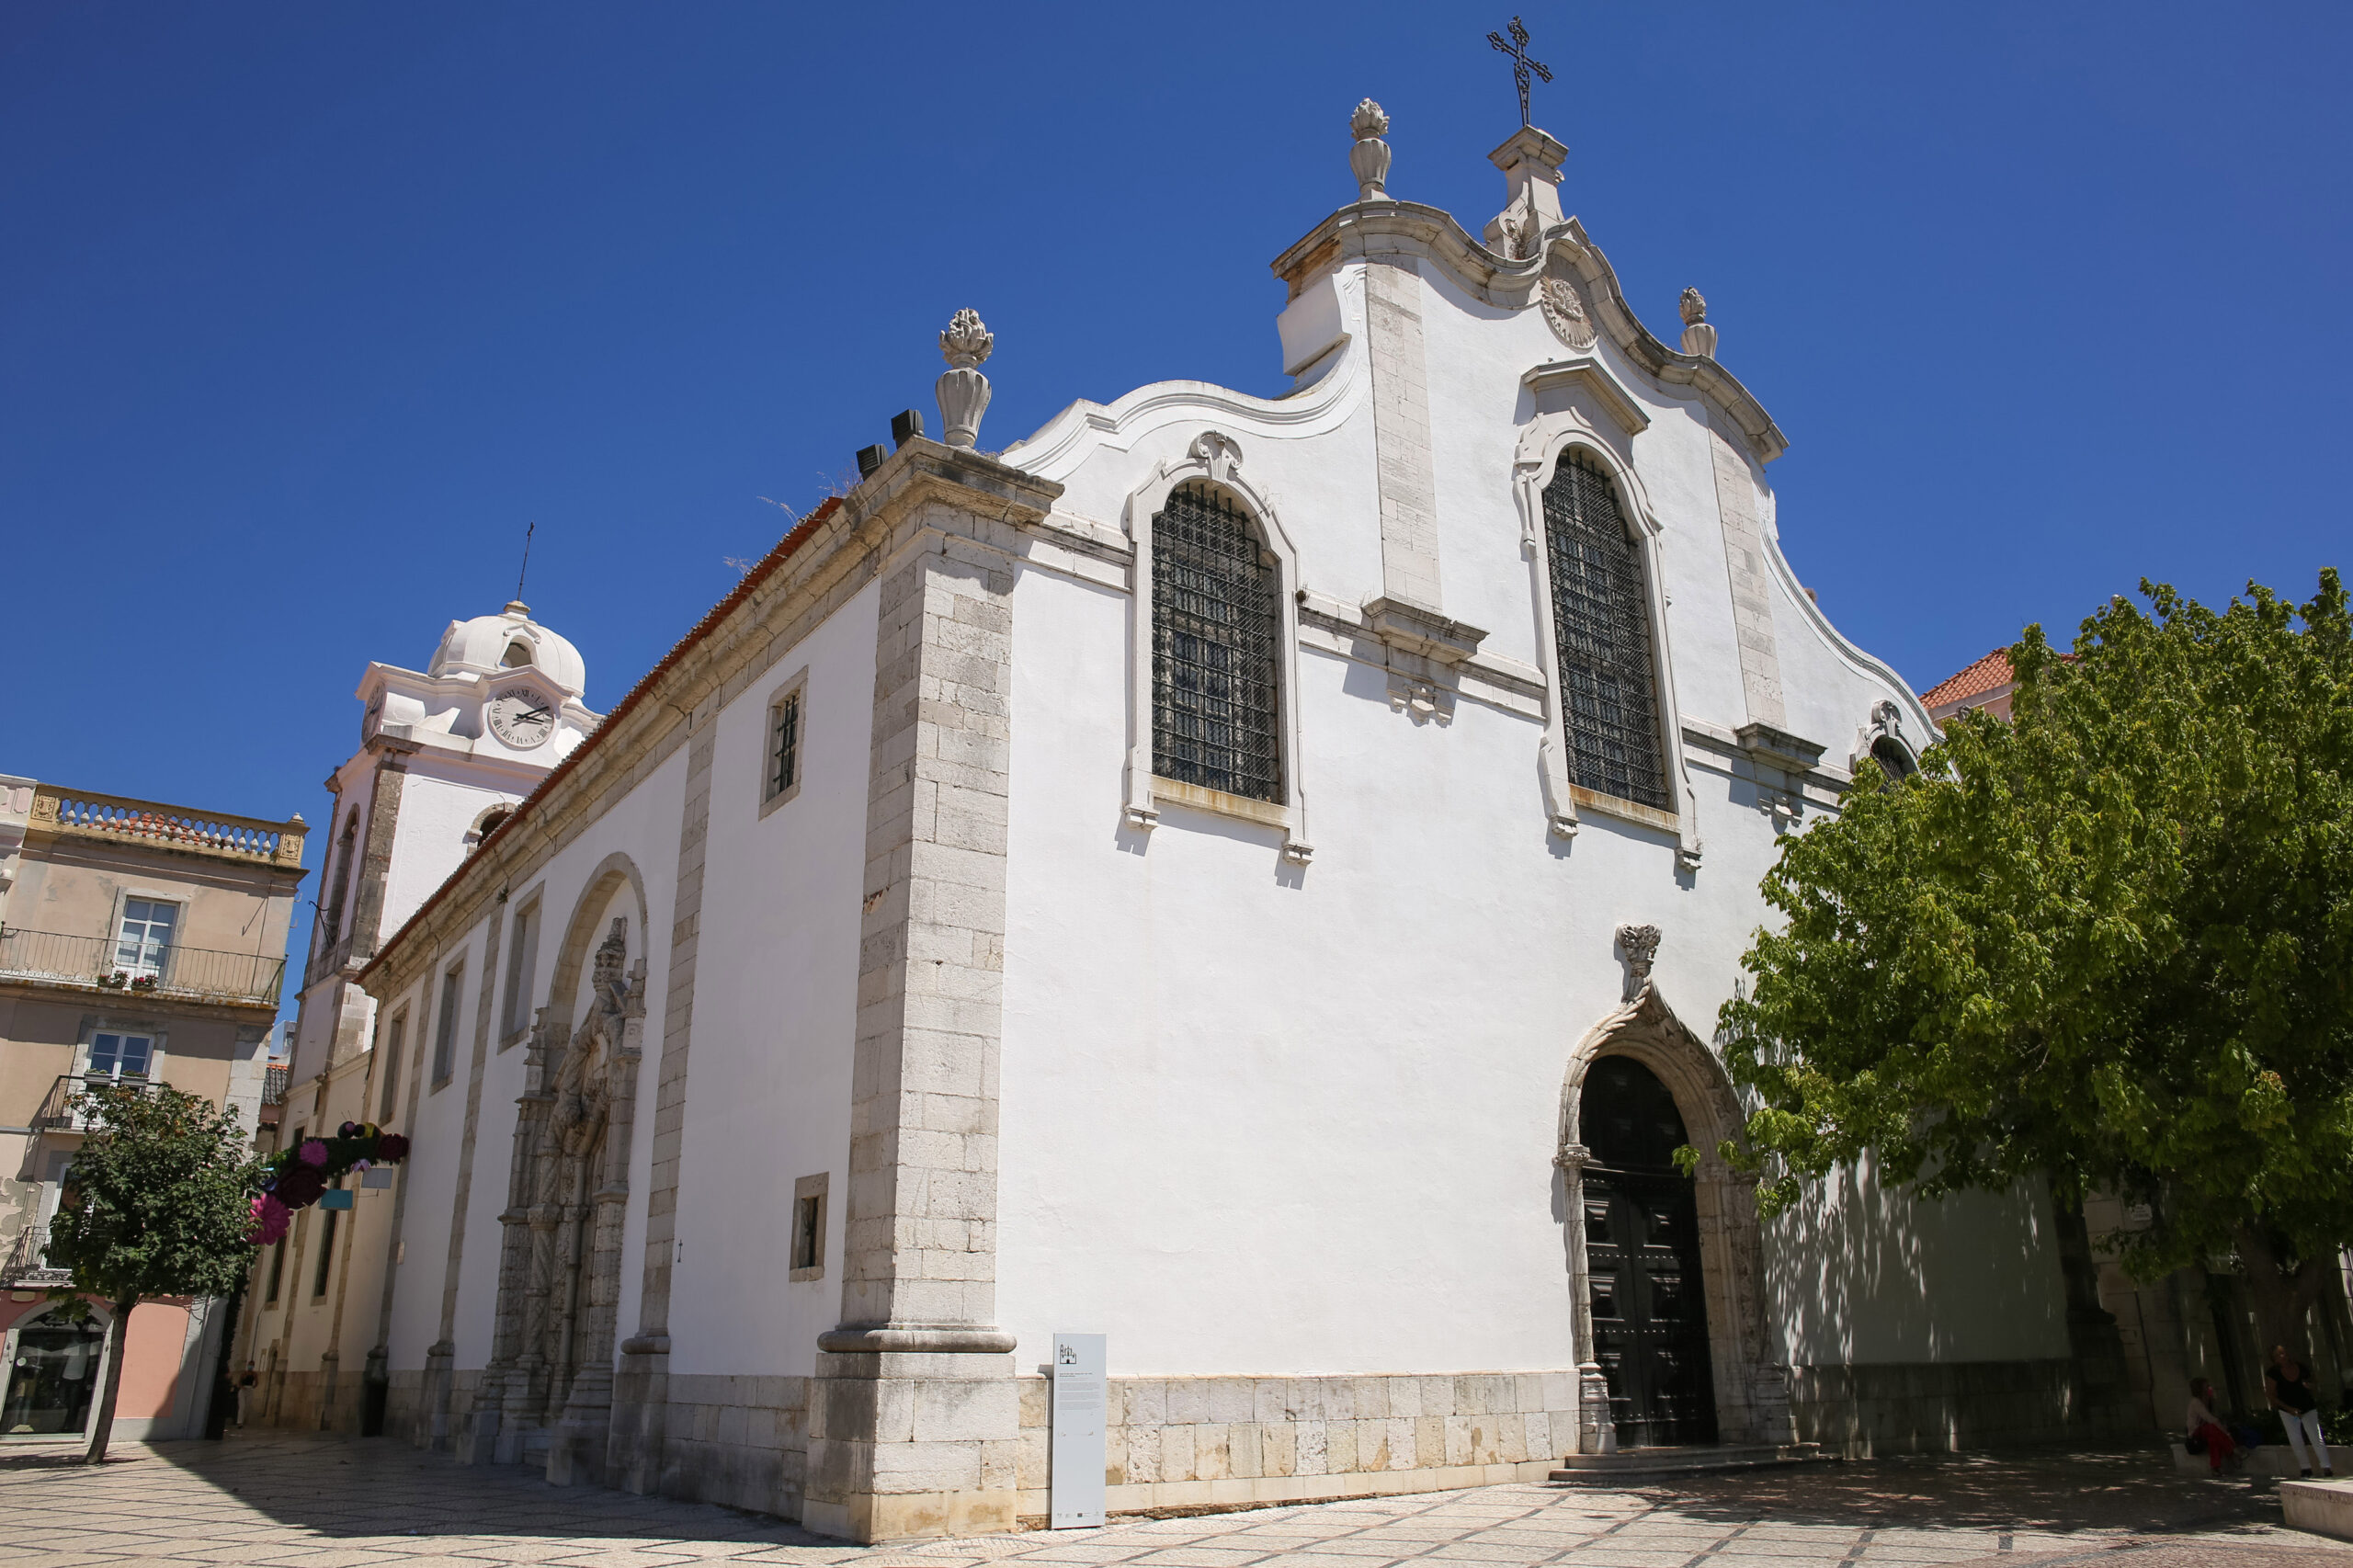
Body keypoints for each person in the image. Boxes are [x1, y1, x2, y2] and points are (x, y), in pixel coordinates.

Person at [2266, 1346, 2335, 1478]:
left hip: (2307, 1406)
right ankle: (2305, 1468)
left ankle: (2326, 1466)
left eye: (2283, 1353)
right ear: (2274, 1359)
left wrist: (2310, 1386)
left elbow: (2314, 1382)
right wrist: (2289, 1409)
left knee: (2316, 1436)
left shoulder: (2301, 1367)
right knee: (2296, 1439)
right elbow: (2270, 1394)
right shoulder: (2273, 1373)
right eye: (2278, 1355)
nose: (2282, 1357)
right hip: (2288, 1410)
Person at [2187, 1378, 2238, 1474]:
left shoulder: (2208, 1401)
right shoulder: (2196, 1402)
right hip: (2196, 1434)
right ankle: (2231, 1451)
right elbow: (2210, 1419)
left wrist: (2211, 1400)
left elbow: (2217, 1416)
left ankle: (2215, 1467)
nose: (2209, 1388)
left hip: (2209, 1431)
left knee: (2213, 1440)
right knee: (2211, 1427)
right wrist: (2227, 1434)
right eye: (2207, 1386)